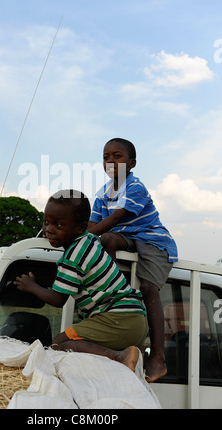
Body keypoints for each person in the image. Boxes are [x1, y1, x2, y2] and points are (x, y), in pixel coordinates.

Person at [14, 189, 148, 374]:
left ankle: (119, 357)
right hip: (135, 319)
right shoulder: (89, 241)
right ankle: (122, 354)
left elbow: (58, 299)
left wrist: (31, 287)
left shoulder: (74, 254)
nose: (48, 229)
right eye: (46, 222)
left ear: (79, 228)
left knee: (58, 344)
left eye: (58, 225)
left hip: (118, 320)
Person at [88, 138, 178, 383]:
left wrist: (83, 237)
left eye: (117, 156)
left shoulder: (135, 186)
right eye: (106, 157)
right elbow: (94, 225)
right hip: (126, 237)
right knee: (107, 240)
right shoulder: (103, 194)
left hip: (151, 238)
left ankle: (158, 357)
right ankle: (114, 293)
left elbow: (116, 218)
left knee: (149, 287)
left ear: (132, 163)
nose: (110, 161)